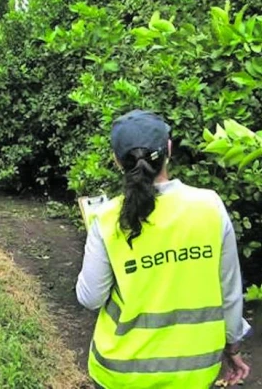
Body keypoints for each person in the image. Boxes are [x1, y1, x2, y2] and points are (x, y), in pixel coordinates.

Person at [76, 110, 251, 388]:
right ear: (168, 149)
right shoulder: (210, 206)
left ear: (116, 160)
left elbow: (90, 297)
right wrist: (233, 348)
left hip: (120, 373)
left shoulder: (107, 218)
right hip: (196, 371)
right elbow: (229, 290)